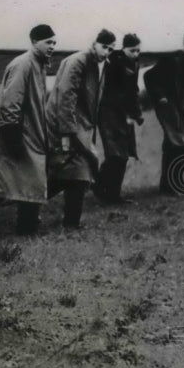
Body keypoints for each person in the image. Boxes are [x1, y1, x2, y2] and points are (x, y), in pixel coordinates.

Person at [0, 24, 56, 236]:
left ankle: (25, 228)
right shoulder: (23, 64)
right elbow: (11, 103)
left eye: (54, 42)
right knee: (16, 181)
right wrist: (13, 137)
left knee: (22, 182)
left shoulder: (38, 64)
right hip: (20, 134)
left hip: (32, 134)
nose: (53, 46)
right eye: (48, 42)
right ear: (34, 42)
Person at [46, 29, 115, 229]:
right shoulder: (78, 61)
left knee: (75, 174)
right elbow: (65, 98)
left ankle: (70, 223)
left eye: (111, 49)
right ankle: (9, 204)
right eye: (104, 47)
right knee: (73, 173)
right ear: (94, 43)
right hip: (64, 126)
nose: (107, 52)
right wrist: (67, 133)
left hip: (80, 127)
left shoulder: (100, 64)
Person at [143, 32, 184, 195]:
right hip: (171, 110)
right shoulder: (170, 60)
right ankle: (173, 185)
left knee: (178, 146)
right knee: (179, 145)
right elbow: (149, 75)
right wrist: (161, 96)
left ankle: (172, 185)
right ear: (183, 45)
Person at [94, 33, 144, 204]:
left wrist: (136, 114)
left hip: (124, 114)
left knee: (122, 155)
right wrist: (129, 114)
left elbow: (133, 91)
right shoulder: (113, 61)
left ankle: (111, 193)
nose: (136, 54)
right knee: (116, 155)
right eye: (132, 50)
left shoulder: (135, 63)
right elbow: (115, 92)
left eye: (138, 50)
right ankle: (100, 186)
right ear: (123, 48)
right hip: (109, 113)